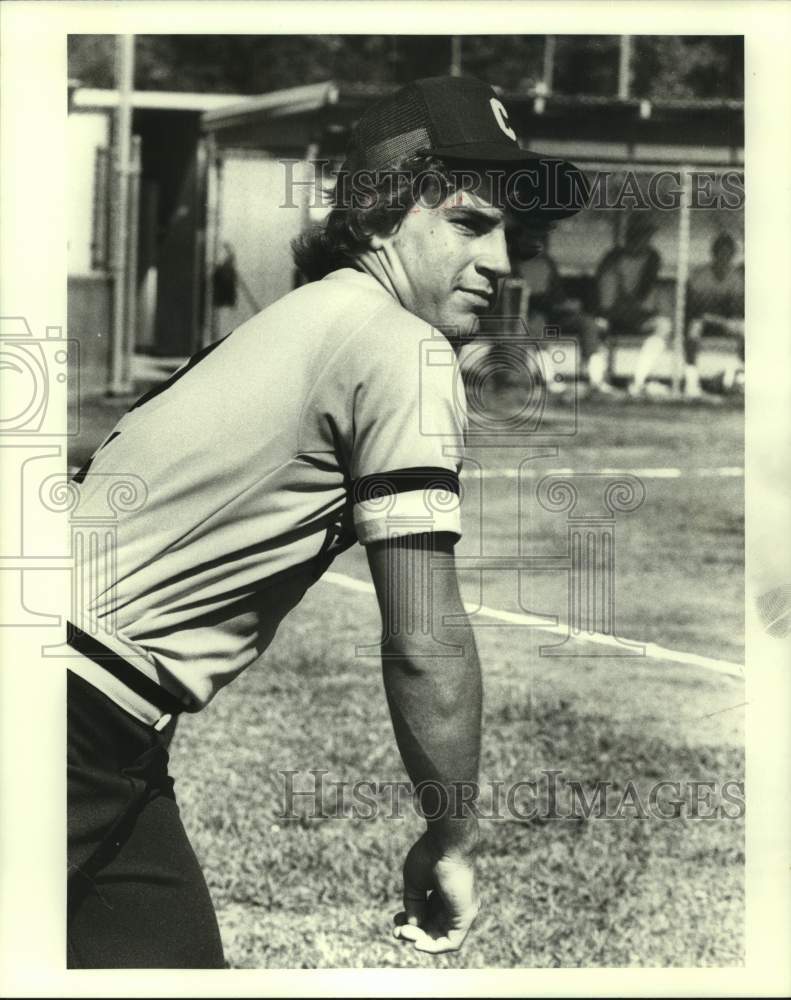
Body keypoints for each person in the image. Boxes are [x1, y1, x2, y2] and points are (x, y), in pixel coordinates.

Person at [66, 75, 583, 967]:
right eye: (468, 223)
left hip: (107, 731)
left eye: (511, 231)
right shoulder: (401, 347)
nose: (503, 261)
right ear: (380, 217)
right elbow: (424, 637)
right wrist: (450, 840)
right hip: (67, 716)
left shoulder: (306, 319)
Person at [507, 220, 613, 394]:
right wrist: (548, 302)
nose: (537, 243)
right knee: (537, 326)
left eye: (540, 239)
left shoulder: (547, 262)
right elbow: (519, 297)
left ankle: (596, 380)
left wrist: (565, 304)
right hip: (529, 313)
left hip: (554, 313)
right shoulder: (514, 264)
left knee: (587, 323)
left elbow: (557, 293)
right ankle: (549, 379)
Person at [594, 211, 673, 397]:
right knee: (599, 325)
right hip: (612, 312)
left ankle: (638, 381)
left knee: (664, 325)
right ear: (632, 234)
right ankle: (597, 382)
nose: (646, 239)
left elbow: (643, 290)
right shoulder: (613, 257)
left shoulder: (652, 257)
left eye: (647, 234)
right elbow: (604, 292)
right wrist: (613, 309)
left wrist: (633, 305)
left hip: (637, 313)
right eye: (642, 233)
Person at [683, 231, 745, 398]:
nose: (725, 257)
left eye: (729, 253)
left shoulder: (736, 277)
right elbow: (694, 310)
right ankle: (691, 380)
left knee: (746, 330)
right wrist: (715, 316)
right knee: (693, 329)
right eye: (721, 252)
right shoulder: (700, 275)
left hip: (723, 322)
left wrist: (730, 319)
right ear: (714, 253)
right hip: (702, 321)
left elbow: (736, 308)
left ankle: (738, 375)